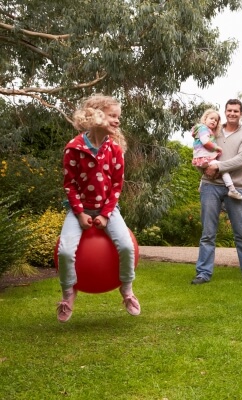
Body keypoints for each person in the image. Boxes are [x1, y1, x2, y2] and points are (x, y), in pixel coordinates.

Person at [56, 93, 140, 322]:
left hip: (108, 210)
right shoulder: (73, 148)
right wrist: (80, 213)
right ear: (98, 115)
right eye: (113, 116)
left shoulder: (115, 150)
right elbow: (69, 185)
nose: (117, 121)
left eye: (118, 117)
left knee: (126, 246)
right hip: (79, 210)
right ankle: (68, 293)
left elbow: (116, 187)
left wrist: (104, 215)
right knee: (64, 250)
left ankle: (127, 289)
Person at [191, 99, 242, 284]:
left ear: (241, 114)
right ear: (225, 112)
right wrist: (205, 169)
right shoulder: (213, 130)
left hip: (236, 187)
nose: (232, 113)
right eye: (229, 110)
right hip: (210, 186)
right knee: (208, 233)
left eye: (236, 111)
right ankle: (203, 273)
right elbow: (200, 151)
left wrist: (218, 166)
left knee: (241, 232)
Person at [191, 109, 242, 200]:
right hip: (204, 158)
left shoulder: (204, 130)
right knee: (222, 168)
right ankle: (232, 189)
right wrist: (216, 148)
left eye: (216, 120)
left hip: (199, 158)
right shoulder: (203, 128)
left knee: (206, 171)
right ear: (205, 119)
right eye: (211, 118)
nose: (213, 121)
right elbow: (205, 142)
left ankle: (201, 186)